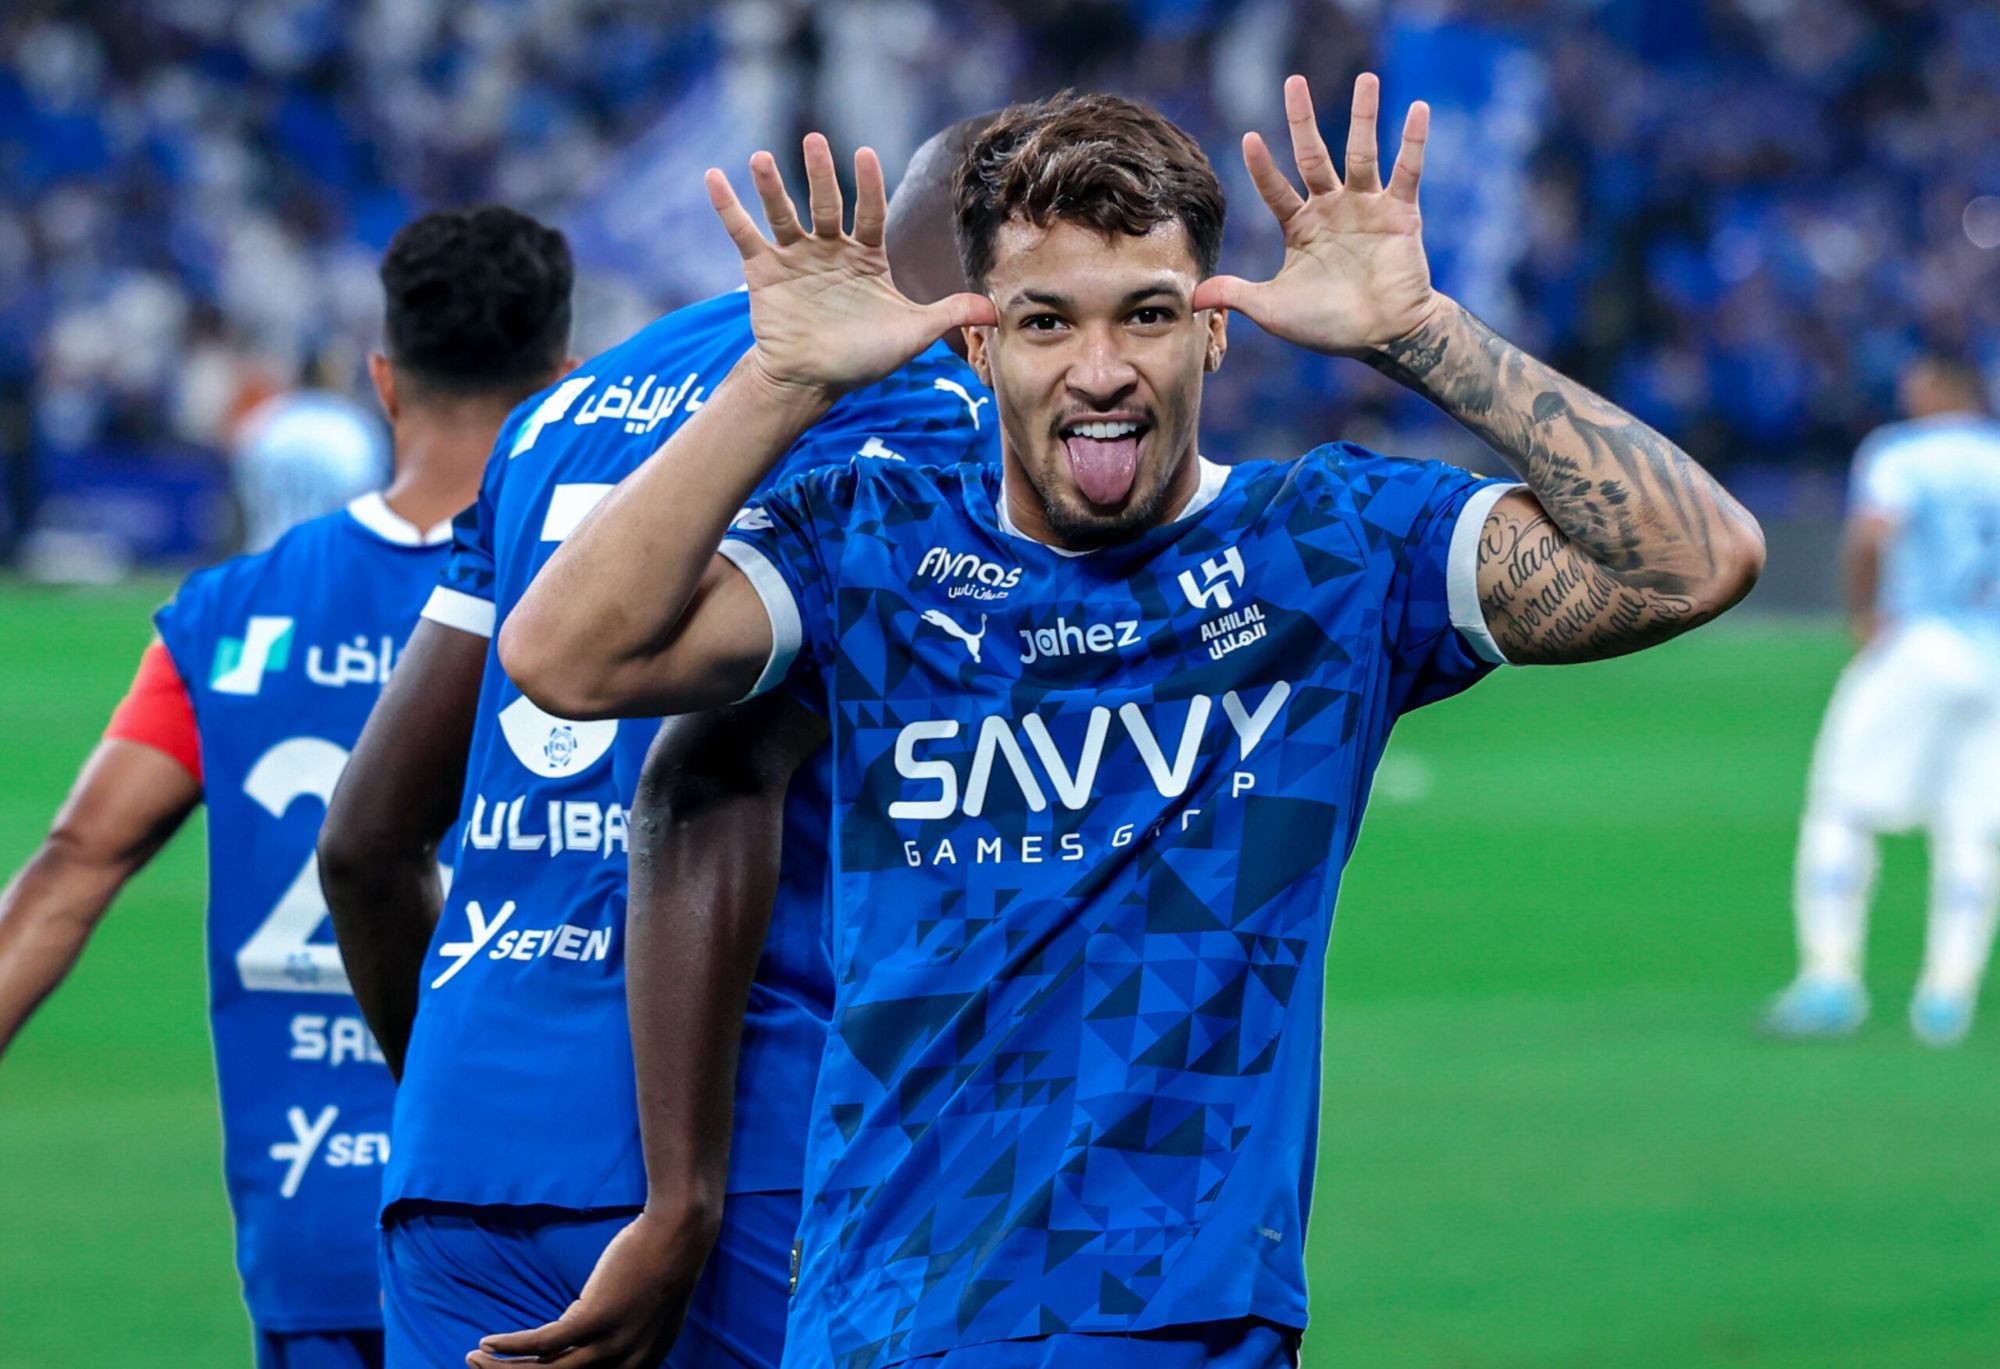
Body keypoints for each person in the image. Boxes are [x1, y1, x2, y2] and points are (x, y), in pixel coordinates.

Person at [501, 74, 1762, 1367]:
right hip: (878, 1318)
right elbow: (563, 657)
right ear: (977, 342)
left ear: (1212, 331)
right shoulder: (870, 543)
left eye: (1147, 315)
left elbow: (1694, 561)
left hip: (1176, 1322)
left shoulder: (1327, 548)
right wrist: (776, 383)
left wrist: (1419, 331)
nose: (1099, 372)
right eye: (1045, 320)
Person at [319, 122, 997, 1369]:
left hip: (464, 1146)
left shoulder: (562, 409)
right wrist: (677, 1191)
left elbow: (364, 840)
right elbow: (713, 777)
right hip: (751, 1150)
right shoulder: (936, 409)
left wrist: (469, 1102)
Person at [0, 205, 575, 1369]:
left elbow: (72, 864)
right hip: (538, 1215)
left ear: (382, 379)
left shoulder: (227, 613)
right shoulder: (602, 604)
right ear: (566, 387)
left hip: (314, 1219)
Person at [1765, 356, 2000, 1047]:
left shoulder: (1900, 452)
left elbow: (1873, 531)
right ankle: (1947, 998)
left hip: (1918, 641)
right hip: (1992, 653)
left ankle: (1830, 980)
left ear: (1939, 392)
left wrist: (1864, 613)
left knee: (1842, 805)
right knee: (1972, 826)